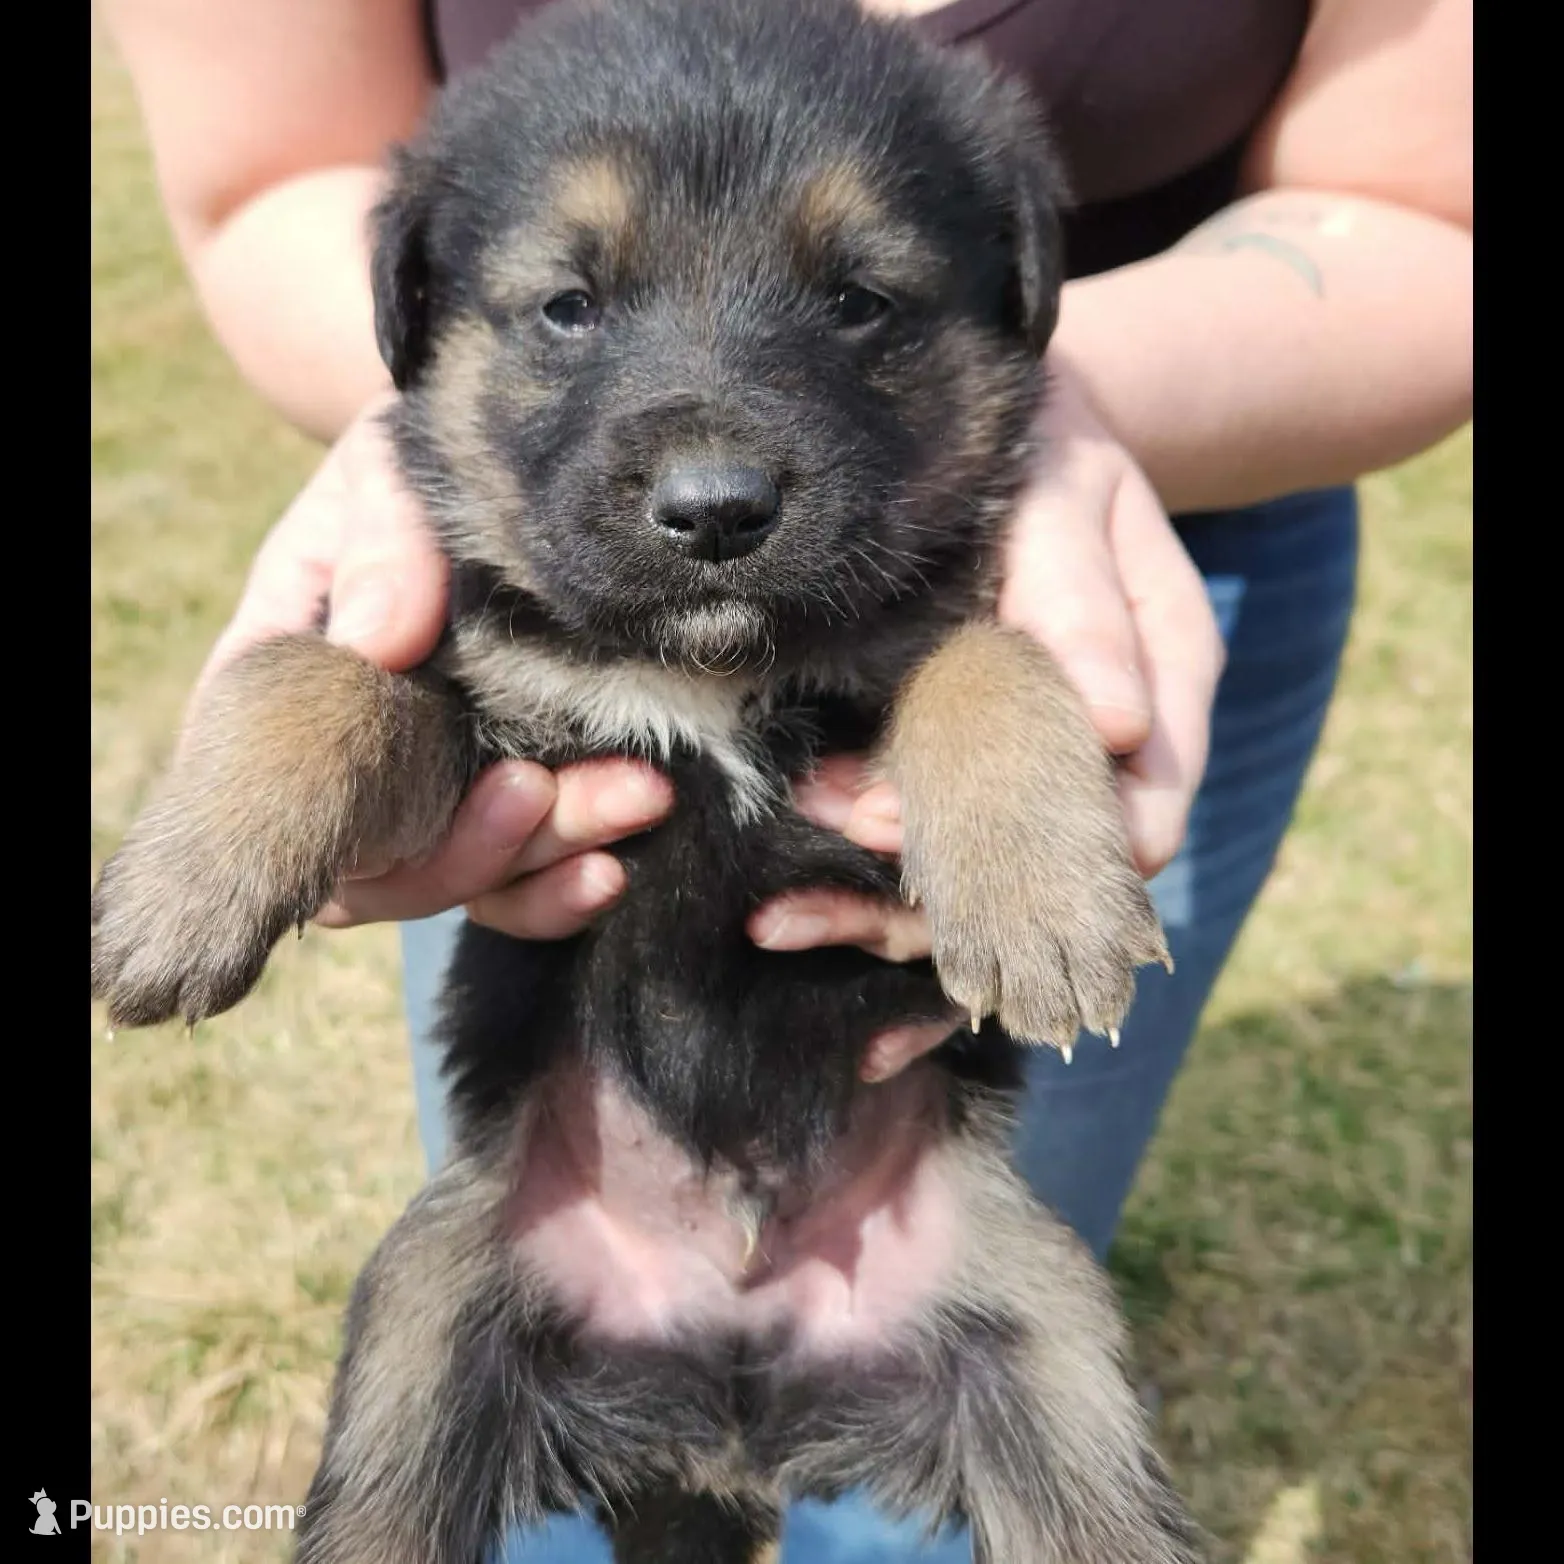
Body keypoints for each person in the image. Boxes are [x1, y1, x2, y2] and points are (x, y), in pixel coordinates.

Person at [100, 0, 1471, 1557]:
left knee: (1049, 1432)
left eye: (859, 301)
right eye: (567, 309)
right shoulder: (498, 564)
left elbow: (1435, 211)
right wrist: (291, 748)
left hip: (910, 1196)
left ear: (1019, 299)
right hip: (564, 1198)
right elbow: (258, 179)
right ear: (419, 319)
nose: (711, 472)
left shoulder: (947, 575)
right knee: (419, 1424)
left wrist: (998, 720)